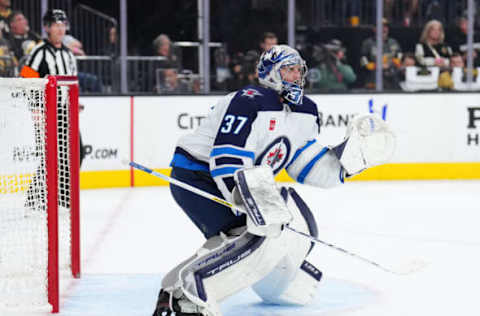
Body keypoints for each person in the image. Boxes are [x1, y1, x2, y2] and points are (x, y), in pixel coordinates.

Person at [151, 45, 394, 316]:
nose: (296, 76)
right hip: (198, 175)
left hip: (244, 183)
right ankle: (186, 298)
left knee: (276, 231)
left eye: (298, 70)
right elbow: (226, 158)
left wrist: (347, 165)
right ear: (271, 73)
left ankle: (178, 294)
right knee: (250, 236)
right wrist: (244, 199)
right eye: (288, 69)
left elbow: (305, 165)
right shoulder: (249, 99)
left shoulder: (305, 111)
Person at [20, 9, 83, 211]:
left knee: (77, 151)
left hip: (66, 111)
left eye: (62, 24)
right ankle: (37, 199)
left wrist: (75, 102)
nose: (60, 28)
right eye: (55, 24)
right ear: (47, 28)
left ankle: (61, 197)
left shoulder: (68, 54)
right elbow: (26, 80)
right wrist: (36, 108)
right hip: (47, 112)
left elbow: (71, 82)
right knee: (52, 155)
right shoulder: (39, 52)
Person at [360, 18, 402, 89]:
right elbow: (362, 58)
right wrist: (374, 66)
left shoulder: (393, 42)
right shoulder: (368, 43)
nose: (383, 29)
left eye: (385, 27)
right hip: (374, 76)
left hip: (391, 76)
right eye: (380, 27)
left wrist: (393, 63)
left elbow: (399, 55)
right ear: (374, 29)